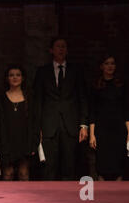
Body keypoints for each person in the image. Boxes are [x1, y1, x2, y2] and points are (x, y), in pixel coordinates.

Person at [33, 37, 88, 180]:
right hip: (48, 125)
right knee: (49, 167)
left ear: (67, 50)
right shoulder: (42, 72)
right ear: (51, 50)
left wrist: (83, 124)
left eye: (64, 46)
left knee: (69, 165)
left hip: (70, 125)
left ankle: (68, 198)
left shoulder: (76, 71)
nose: (61, 49)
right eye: (58, 46)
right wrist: (37, 127)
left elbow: (82, 98)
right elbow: (38, 100)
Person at [88, 54, 129, 181]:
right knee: (102, 164)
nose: (110, 66)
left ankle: (119, 196)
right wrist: (92, 134)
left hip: (119, 129)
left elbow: (126, 110)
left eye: (112, 63)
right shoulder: (95, 86)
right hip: (102, 129)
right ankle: (102, 196)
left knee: (118, 164)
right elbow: (92, 111)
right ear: (101, 66)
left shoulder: (121, 85)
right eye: (107, 63)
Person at [0, 65, 37, 181]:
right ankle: (8, 199)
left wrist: (34, 142)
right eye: (11, 75)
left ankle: (25, 199)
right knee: (8, 173)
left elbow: (34, 122)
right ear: (7, 78)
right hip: (7, 142)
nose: (15, 78)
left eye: (18, 75)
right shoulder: (1, 98)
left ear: (23, 78)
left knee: (24, 173)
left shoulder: (30, 97)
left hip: (24, 141)